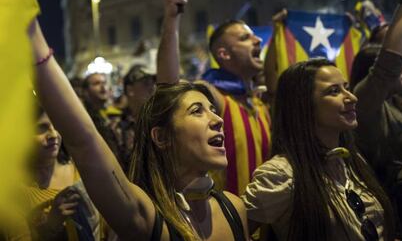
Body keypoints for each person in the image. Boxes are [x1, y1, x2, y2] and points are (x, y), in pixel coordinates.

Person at [28, 20, 249, 240]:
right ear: (162, 137)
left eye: (213, 110)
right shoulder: (146, 217)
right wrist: (32, 35)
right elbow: (84, 141)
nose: (218, 119)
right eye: (197, 111)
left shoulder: (235, 209)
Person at [242, 58, 395, 241]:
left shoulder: (350, 160)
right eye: (334, 91)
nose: (352, 97)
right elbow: (233, 230)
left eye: (346, 87)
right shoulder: (281, 174)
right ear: (302, 104)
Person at [158, 0, 271, 196]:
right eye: (244, 38)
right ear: (224, 54)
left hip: (269, 229)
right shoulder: (214, 97)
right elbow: (168, 87)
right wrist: (171, 18)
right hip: (230, 225)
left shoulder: (260, 103)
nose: (258, 39)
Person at [350, 0, 402, 239]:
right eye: (401, 63)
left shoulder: (400, 103)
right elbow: (388, 66)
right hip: (398, 220)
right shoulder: (364, 106)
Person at [22, 107, 101, 240]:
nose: (53, 135)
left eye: (56, 125)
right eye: (42, 128)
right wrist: (51, 223)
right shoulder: (19, 194)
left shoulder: (82, 168)